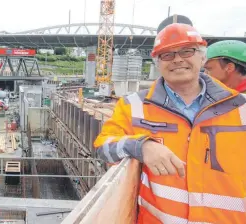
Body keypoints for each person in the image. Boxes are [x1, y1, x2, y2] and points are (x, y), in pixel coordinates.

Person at [94, 23, 246, 223]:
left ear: (202, 57)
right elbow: (103, 147)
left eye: (187, 51)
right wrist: (142, 146)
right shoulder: (134, 106)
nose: (177, 60)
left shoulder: (240, 108)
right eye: (167, 55)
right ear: (158, 63)